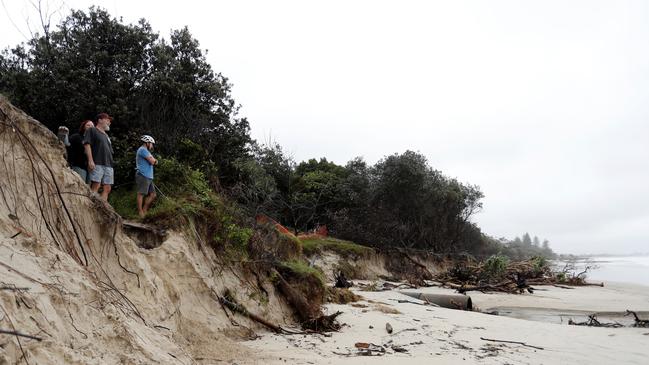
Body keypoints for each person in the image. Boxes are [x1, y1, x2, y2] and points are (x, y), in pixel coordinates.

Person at [84, 113, 114, 201]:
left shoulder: (106, 135)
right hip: (97, 162)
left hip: (109, 164)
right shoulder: (92, 130)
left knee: (107, 188)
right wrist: (90, 160)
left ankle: (102, 208)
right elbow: (87, 144)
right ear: (100, 120)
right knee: (96, 185)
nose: (109, 122)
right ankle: (90, 205)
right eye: (107, 119)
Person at [136, 135, 158, 218]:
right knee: (141, 193)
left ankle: (144, 210)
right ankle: (140, 212)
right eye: (151, 144)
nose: (152, 146)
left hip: (148, 176)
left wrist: (154, 160)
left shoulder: (146, 151)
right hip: (143, 175)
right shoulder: (143, 150)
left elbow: (153, 160)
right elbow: (153, 161)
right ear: (147, 143)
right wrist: (154, 160)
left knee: (153, 194)